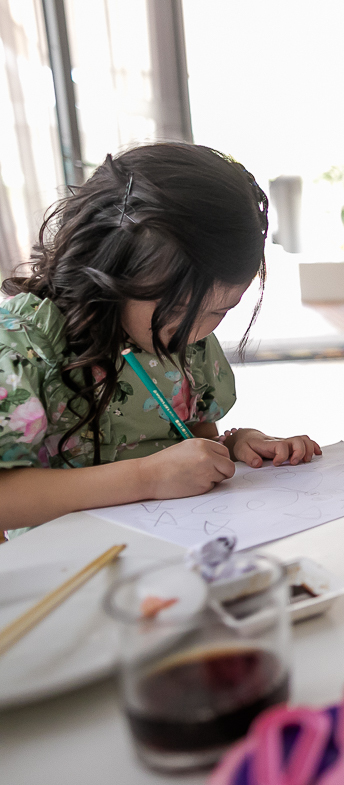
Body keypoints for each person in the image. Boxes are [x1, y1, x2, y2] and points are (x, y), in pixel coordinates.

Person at [0, 143, 320, 535]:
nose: (198, 331)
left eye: (222, 311)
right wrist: (144, 478)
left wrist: (233, 447)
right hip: (70, 570)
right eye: (180, 308)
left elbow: (193, 435)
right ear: (112, 267)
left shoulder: (186, 339)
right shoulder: (24, 347)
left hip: (176, 549)